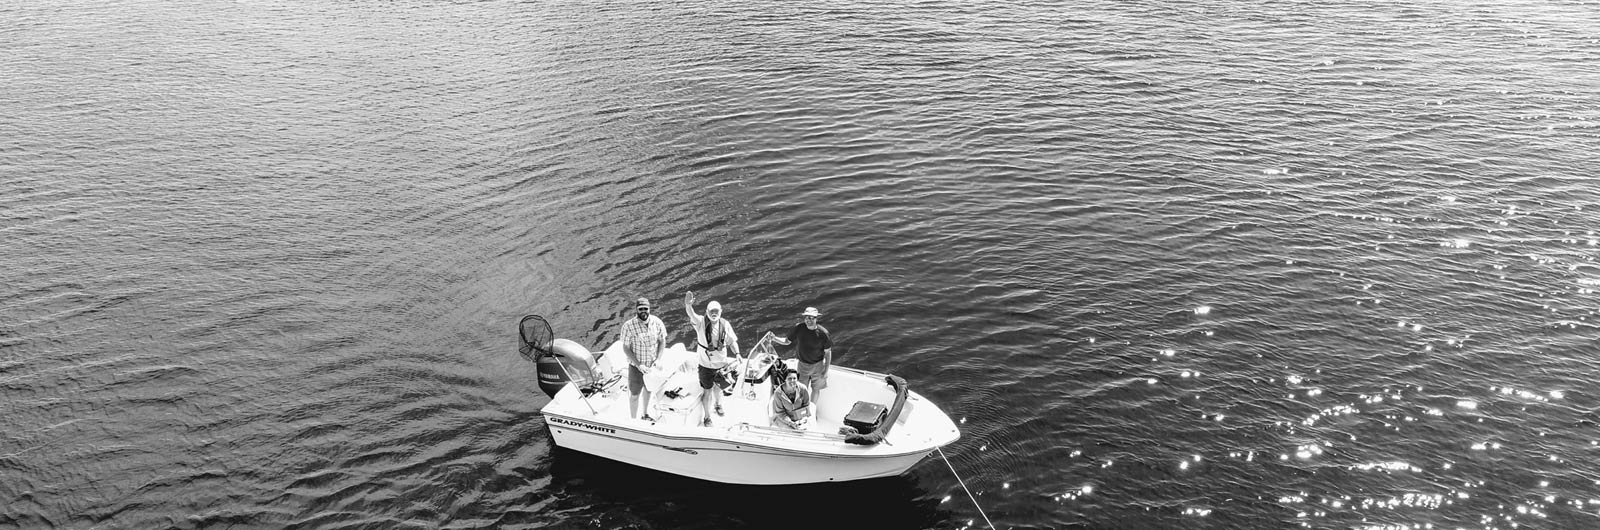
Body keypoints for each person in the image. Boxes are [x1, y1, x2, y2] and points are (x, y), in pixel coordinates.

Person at [684, 290, 739, 427]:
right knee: (707, 391)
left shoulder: (725, 324)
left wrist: (737, 354)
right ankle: (707, 417)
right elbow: (691, 314)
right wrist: (688, 305)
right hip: (706, 366)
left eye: (716, 311)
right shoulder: (700, 323)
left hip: (721, 365)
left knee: (719, 389)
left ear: (720, 311)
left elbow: (732, 341)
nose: (714, 313)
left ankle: (718, 405)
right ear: (707, 311)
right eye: (711, 311)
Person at [771, 307, 833, 404]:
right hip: (802, 365)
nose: (809, 320)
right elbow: (787, 341)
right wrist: (774, 338)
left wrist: (826, 371)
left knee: (816, 389)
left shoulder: (823, 333)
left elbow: (828, 353)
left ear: (816, 318)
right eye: (807, 317)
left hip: (818, 366)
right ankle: (803, 409)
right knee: (800, 390)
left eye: (812, 318)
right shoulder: (799, 328)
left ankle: (812, 410)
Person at [621, 297, 667, 422]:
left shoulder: (657, 322)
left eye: (645, 309)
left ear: (649, 309)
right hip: (636, 367)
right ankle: (633, 420)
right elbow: (626, 348)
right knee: (635, 395)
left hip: (651, 366)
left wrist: (658, 359)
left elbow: (662, 341)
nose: (643, 311)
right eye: (640, 309)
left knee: (648, 391)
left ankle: (645, 414)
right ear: (636, 310)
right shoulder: (628, 326)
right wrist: (638, 364)